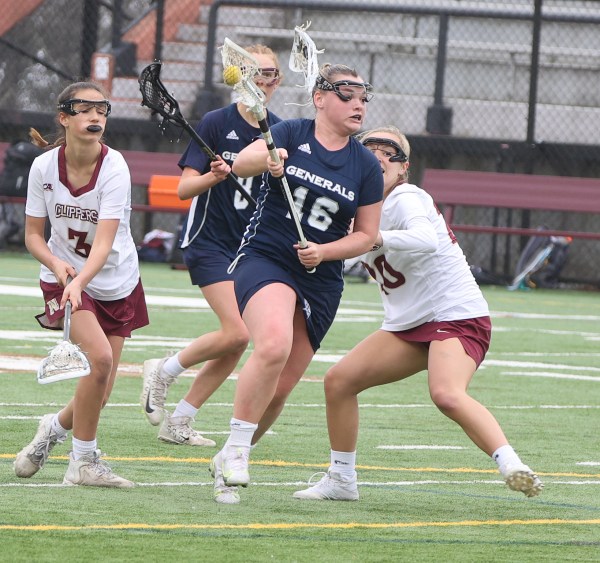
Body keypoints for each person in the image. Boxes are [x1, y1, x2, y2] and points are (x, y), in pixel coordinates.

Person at [293, 126, 543, 501]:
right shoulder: (356, 209)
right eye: (370, 149)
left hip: (453, 314)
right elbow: (337, 260)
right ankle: (342, 480)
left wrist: (373, 237)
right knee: (339, 382)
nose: (378, 156)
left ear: (403, 168)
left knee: (446, 393)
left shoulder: (406, 197)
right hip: (408, 324)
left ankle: (512, 465)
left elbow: (424, 239)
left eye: (388, 152)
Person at [208, 63, 384, 504]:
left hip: (321, 278)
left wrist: (325, 252)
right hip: (267, 257)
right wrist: (268, 160)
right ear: (320, 98)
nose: (358, 105)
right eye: (347, 95)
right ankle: (236, 451)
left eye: (363, 98)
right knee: (272, 345)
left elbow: (366, 235)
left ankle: (229, 455)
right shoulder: (289, 132)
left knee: (280, 389)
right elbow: (242, 162)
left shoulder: (365, 165)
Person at [140, 48, 282, 451]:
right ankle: (164, 370)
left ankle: (180, 420)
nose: (265, 80)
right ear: (241, 75)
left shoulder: (280, 130)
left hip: (250, 248)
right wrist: (216, 176)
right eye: (257, 72)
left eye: (272, 73)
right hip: (209, 240)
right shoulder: (217, 122)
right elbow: (185, 188)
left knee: (237, 341)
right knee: (237, 331)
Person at [14, 81, 149, 488]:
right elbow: (33, 236)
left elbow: (104, 244)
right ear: (64, 118)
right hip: (65, 278)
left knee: (99, 393)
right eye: (85, 109)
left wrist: (82, 280)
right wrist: (57, 266)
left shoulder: (115, 166)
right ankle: (83, 463)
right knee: (101, 360)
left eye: (102, 110)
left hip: (116, 280)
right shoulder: (43, 167)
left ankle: (51, 429)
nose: (95, 117)